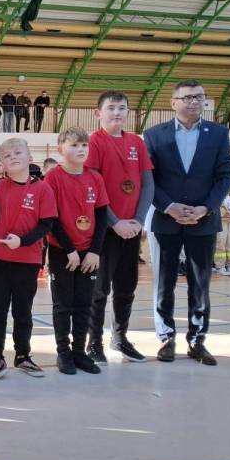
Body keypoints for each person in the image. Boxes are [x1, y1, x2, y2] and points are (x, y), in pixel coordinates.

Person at [144, 79, 230, 366]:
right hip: (166, 220)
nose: (194, 101)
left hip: (203, 221)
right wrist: (169, 206)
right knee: (164, 283)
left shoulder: (218, 134)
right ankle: (166, 338)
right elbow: (148, 179)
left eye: (199, 97)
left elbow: (226, 176)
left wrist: (205, 208)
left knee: (200, 284)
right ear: (173, 103)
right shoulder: (154, 135)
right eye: (187, 97)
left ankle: (197, 340)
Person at [84, 91, 153, 364]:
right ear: (98, 113)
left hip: (132, 229)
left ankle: (120, 337)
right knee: (99, 290)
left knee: (127, 287)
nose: (117, 112)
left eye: (122, 108)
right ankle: (93, 342)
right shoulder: (94, 142)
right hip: (105, 230)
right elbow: (93, 187)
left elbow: (148, 184)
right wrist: (115, 222)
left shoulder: (137, 142)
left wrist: (139, 220)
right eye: (111, 108)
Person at [0, 138, 55, 378]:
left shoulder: (43, 189)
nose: (13, 157)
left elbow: (46, 224)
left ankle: (23, 355)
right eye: (7, 155)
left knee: (23, 312)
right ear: (2, 164)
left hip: (28, 260)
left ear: (30, 158)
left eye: (17, 152)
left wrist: (22, 241)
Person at [45, 127, 109, 375]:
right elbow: (51, 217)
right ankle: (63, 353)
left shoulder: (95, 178)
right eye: (74, 145)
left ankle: (79, 352)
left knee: (84, 304)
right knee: (63, 305)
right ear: (60, 149)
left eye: (84, 145)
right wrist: (69, 249)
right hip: (62, 251)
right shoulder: (53, 178)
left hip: (88, 253)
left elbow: (101, 217)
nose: (80, 149)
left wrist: (95, 251)